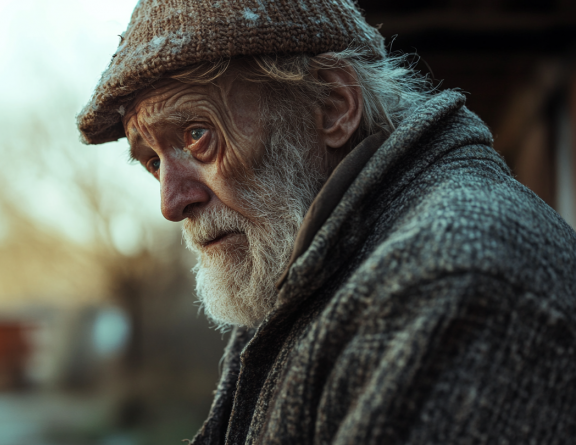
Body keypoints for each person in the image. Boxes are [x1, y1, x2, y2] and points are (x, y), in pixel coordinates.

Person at [77, 1, 576, 443]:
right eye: (153, 161)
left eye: (197, 133)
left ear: (334, 105)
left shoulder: (451, 284)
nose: (171, 201)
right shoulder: (310, 265)